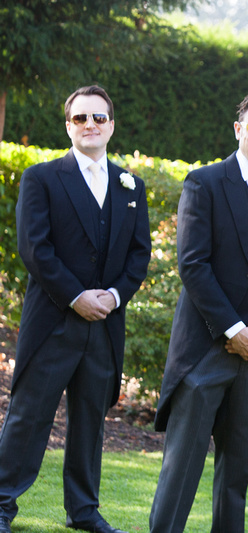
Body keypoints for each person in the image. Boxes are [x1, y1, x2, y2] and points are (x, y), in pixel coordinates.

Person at [148, 88, 248, 533]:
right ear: (238, 129)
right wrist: (235, 330)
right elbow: (192, 264)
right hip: (204, 351)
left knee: (236, 473)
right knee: (181, 469)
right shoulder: (205, 182)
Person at [0, 85, 151, 533]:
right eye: (81, 118)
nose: (90, 125)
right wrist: (76, 296)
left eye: (99, 118)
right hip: (53, 320)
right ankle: (1, 504)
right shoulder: (42, 178)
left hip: (105, 325)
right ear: (68, 126)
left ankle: (83, 510)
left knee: (90, 421)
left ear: (111, 126)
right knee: (29, 417)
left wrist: (114, 296)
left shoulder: (130, 186)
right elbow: (35, 249)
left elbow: (139, 255)